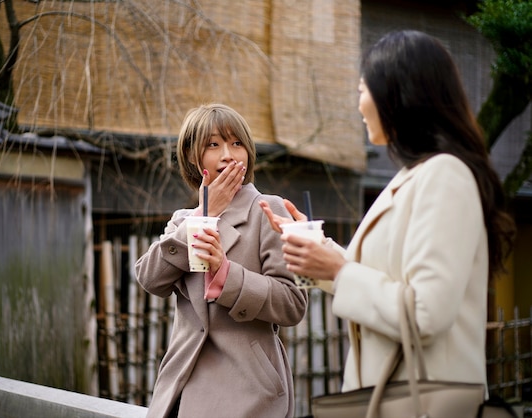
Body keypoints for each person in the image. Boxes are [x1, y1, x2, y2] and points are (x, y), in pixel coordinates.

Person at [260, 30, 516, 394]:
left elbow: (426, 313)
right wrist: (319, 250)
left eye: (363, 89)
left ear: (397, 96)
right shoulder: (417, 174)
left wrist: (337, 269)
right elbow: (385, 278)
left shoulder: (446, 175)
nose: (359, 103)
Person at [135, 103, 308, 418]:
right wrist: (205, 215)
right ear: (192, 156)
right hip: (181, 388)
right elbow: (150, 279)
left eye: (236, 143)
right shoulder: (183, 220)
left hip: (248, 388)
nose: (228, 154)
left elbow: (293, 303)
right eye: (213, 145)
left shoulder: (267, 210)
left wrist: (227, 275)